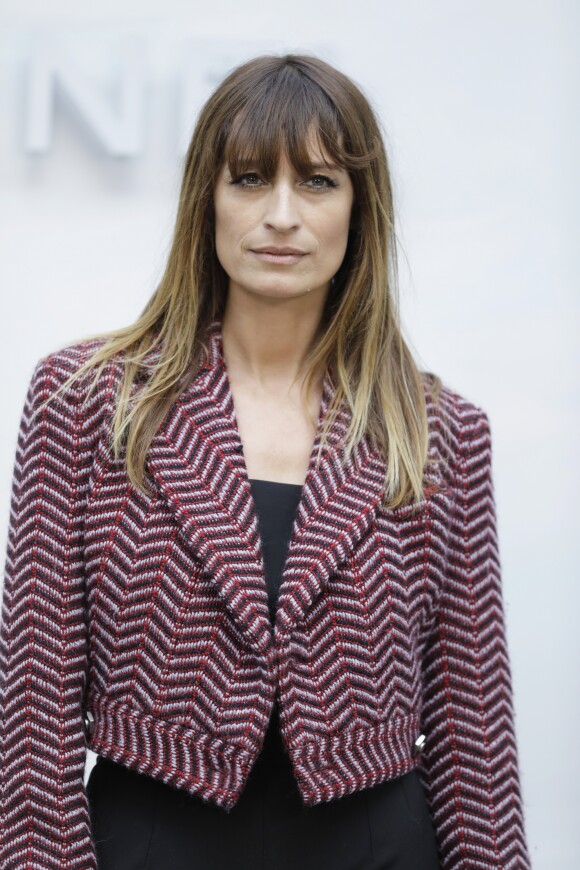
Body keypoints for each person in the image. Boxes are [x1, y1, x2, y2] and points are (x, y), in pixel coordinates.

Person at [0, 53, 531, 869]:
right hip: (148, 841)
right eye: (249, 179)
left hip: (378, 846)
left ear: (361, 209)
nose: (281, 214)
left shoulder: (440, 432)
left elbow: (475, 738)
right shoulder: (87, 404)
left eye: (318, 182)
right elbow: (33, 710)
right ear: (205, 202)